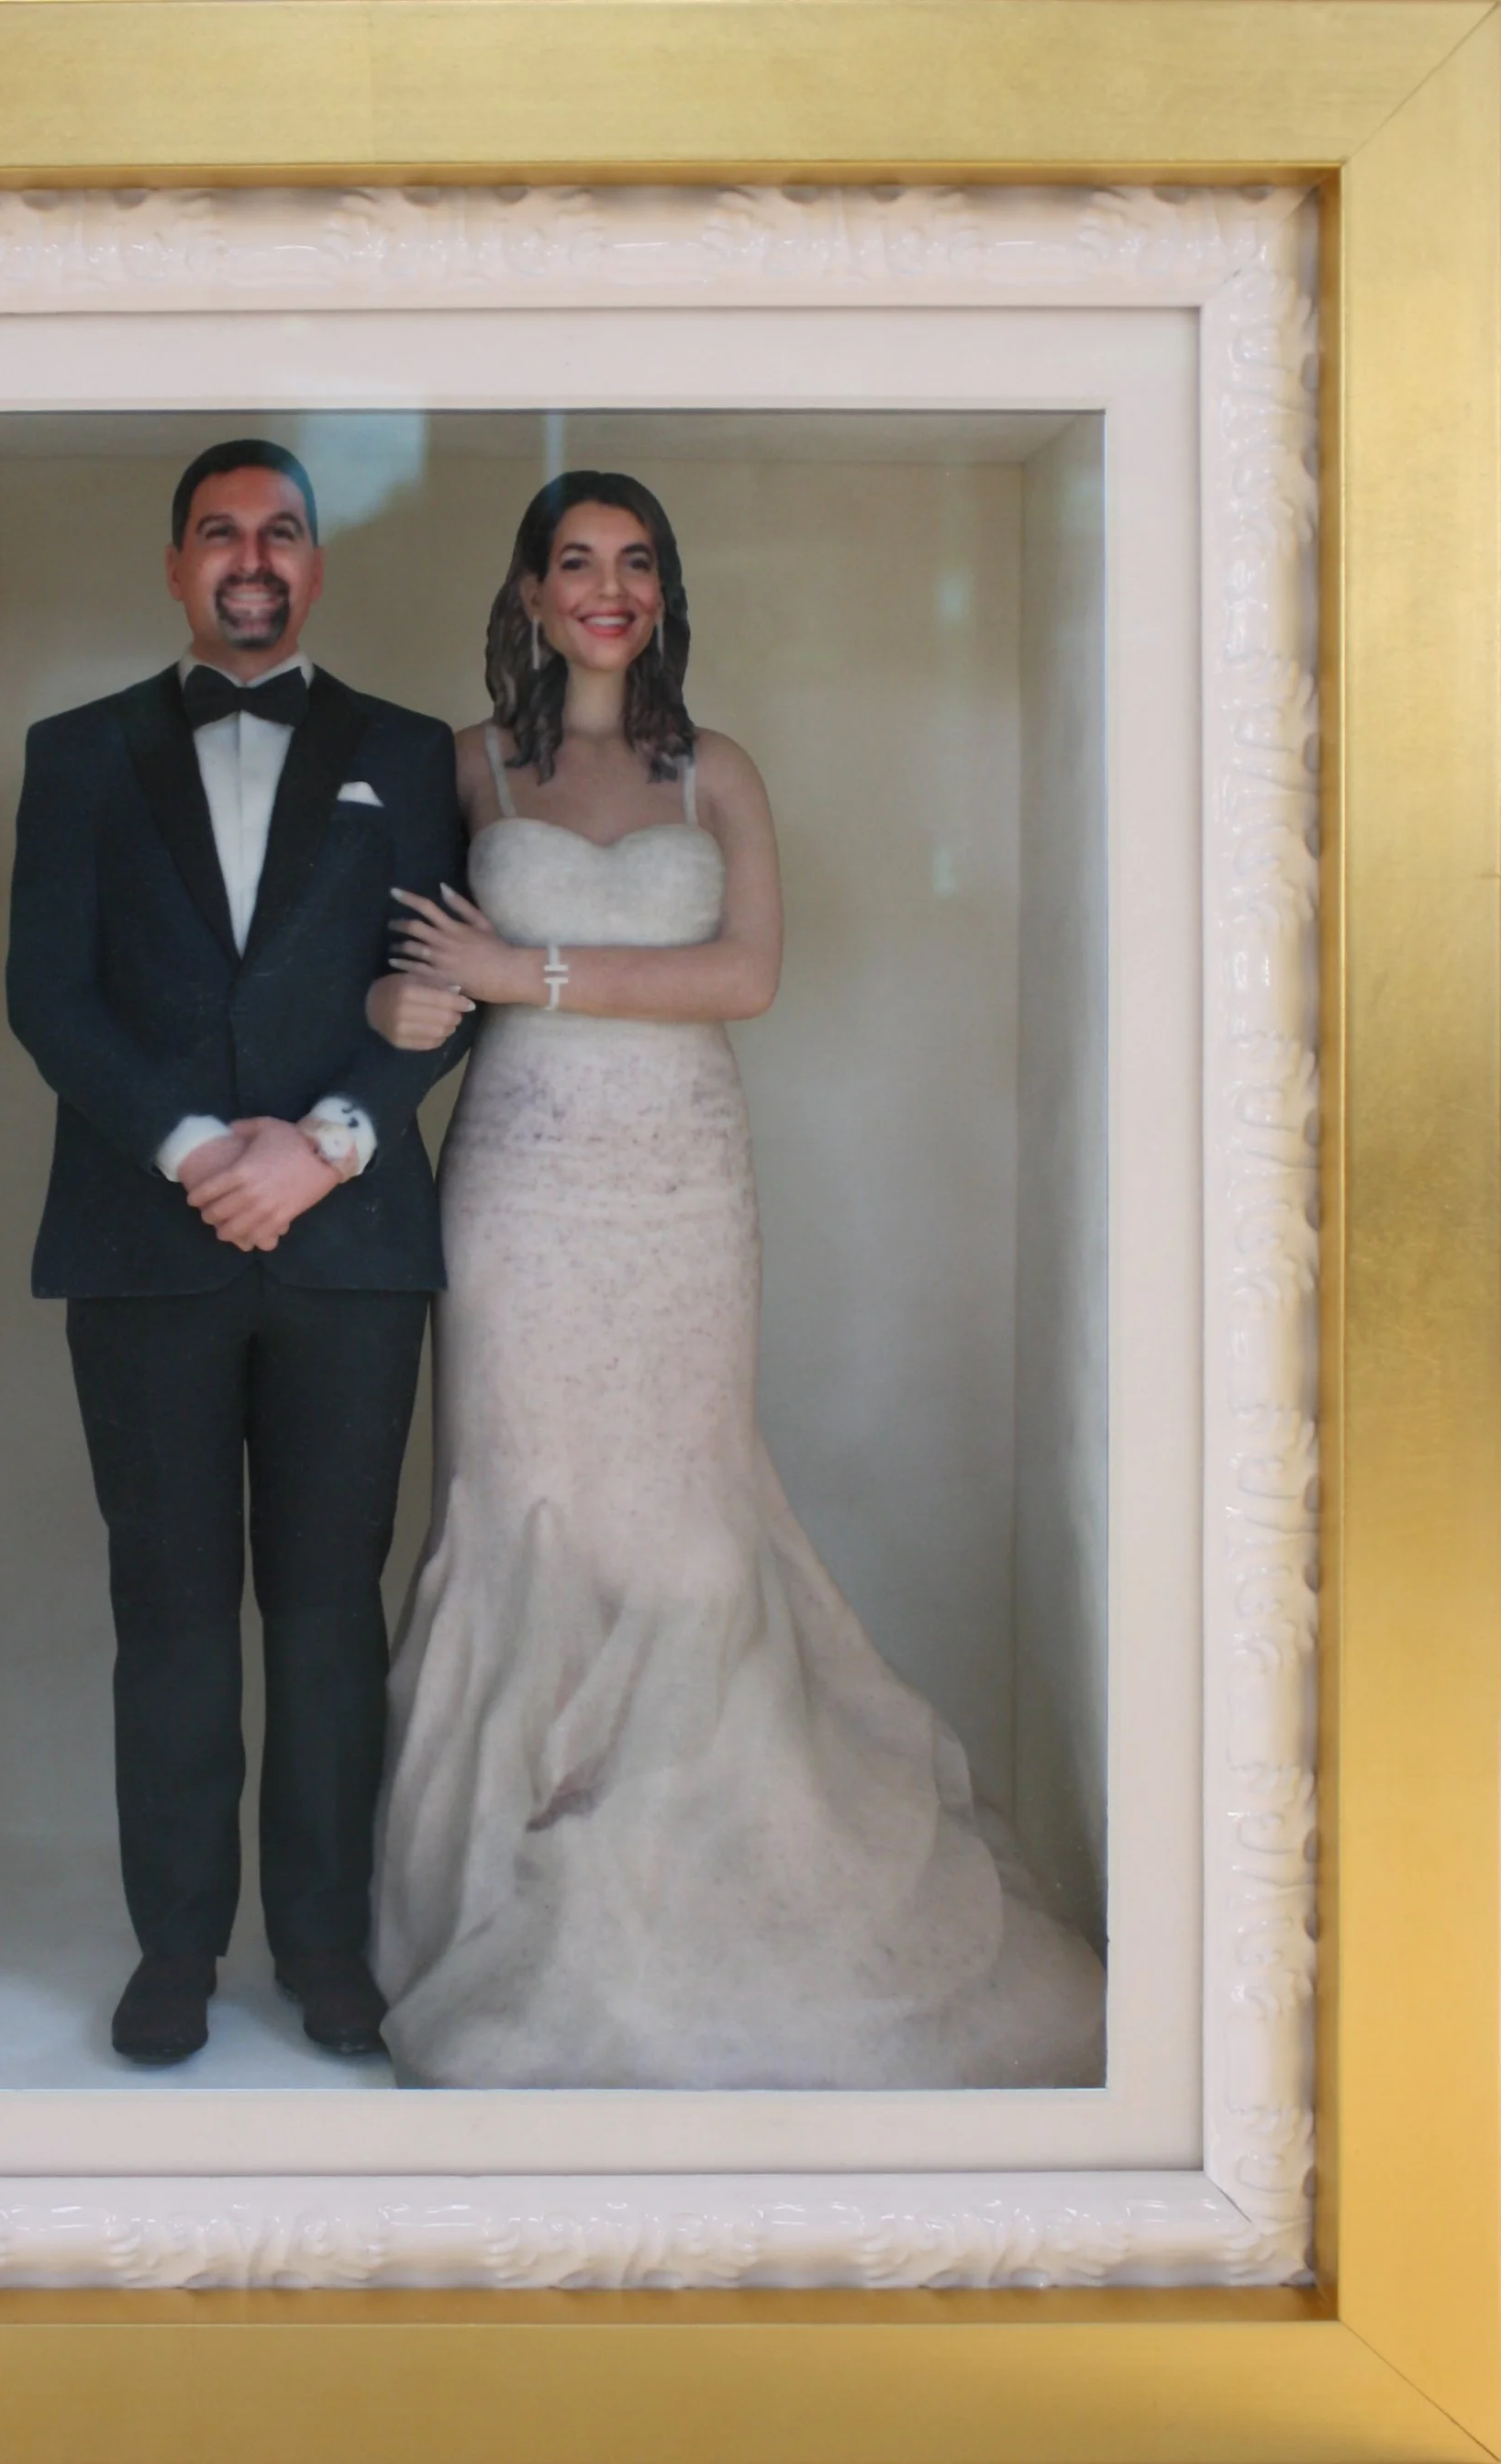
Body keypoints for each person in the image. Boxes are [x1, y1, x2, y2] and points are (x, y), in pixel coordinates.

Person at [365, 471, 1106, 2089]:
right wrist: (407, 1009)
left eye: (636, 563)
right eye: (577, 562)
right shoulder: (463, 768)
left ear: (665, 592)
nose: (608, 589)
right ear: (532, 593)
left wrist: (526, 971)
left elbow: (748, 975)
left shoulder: (724, 774)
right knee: (528, 1515)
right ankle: (508, 1913)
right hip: (523, 1189)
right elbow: (389, 975)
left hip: (685, 1187)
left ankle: (700, 1911)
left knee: (692, 1540)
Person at [6, 440, 472, 2067]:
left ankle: (330, 1947)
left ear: (319, 564)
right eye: (220, 533)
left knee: (332, 1611)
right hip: (148, 1242)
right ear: (176, 562)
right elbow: (47, 998)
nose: (251, 558)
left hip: (351, 1251)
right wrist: (201, 1150)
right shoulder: (75, 752)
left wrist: (327, 1142)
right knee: (175, 1615)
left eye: (281, 531)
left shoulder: (413, 753)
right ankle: (175, 1951)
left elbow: (441, 985)